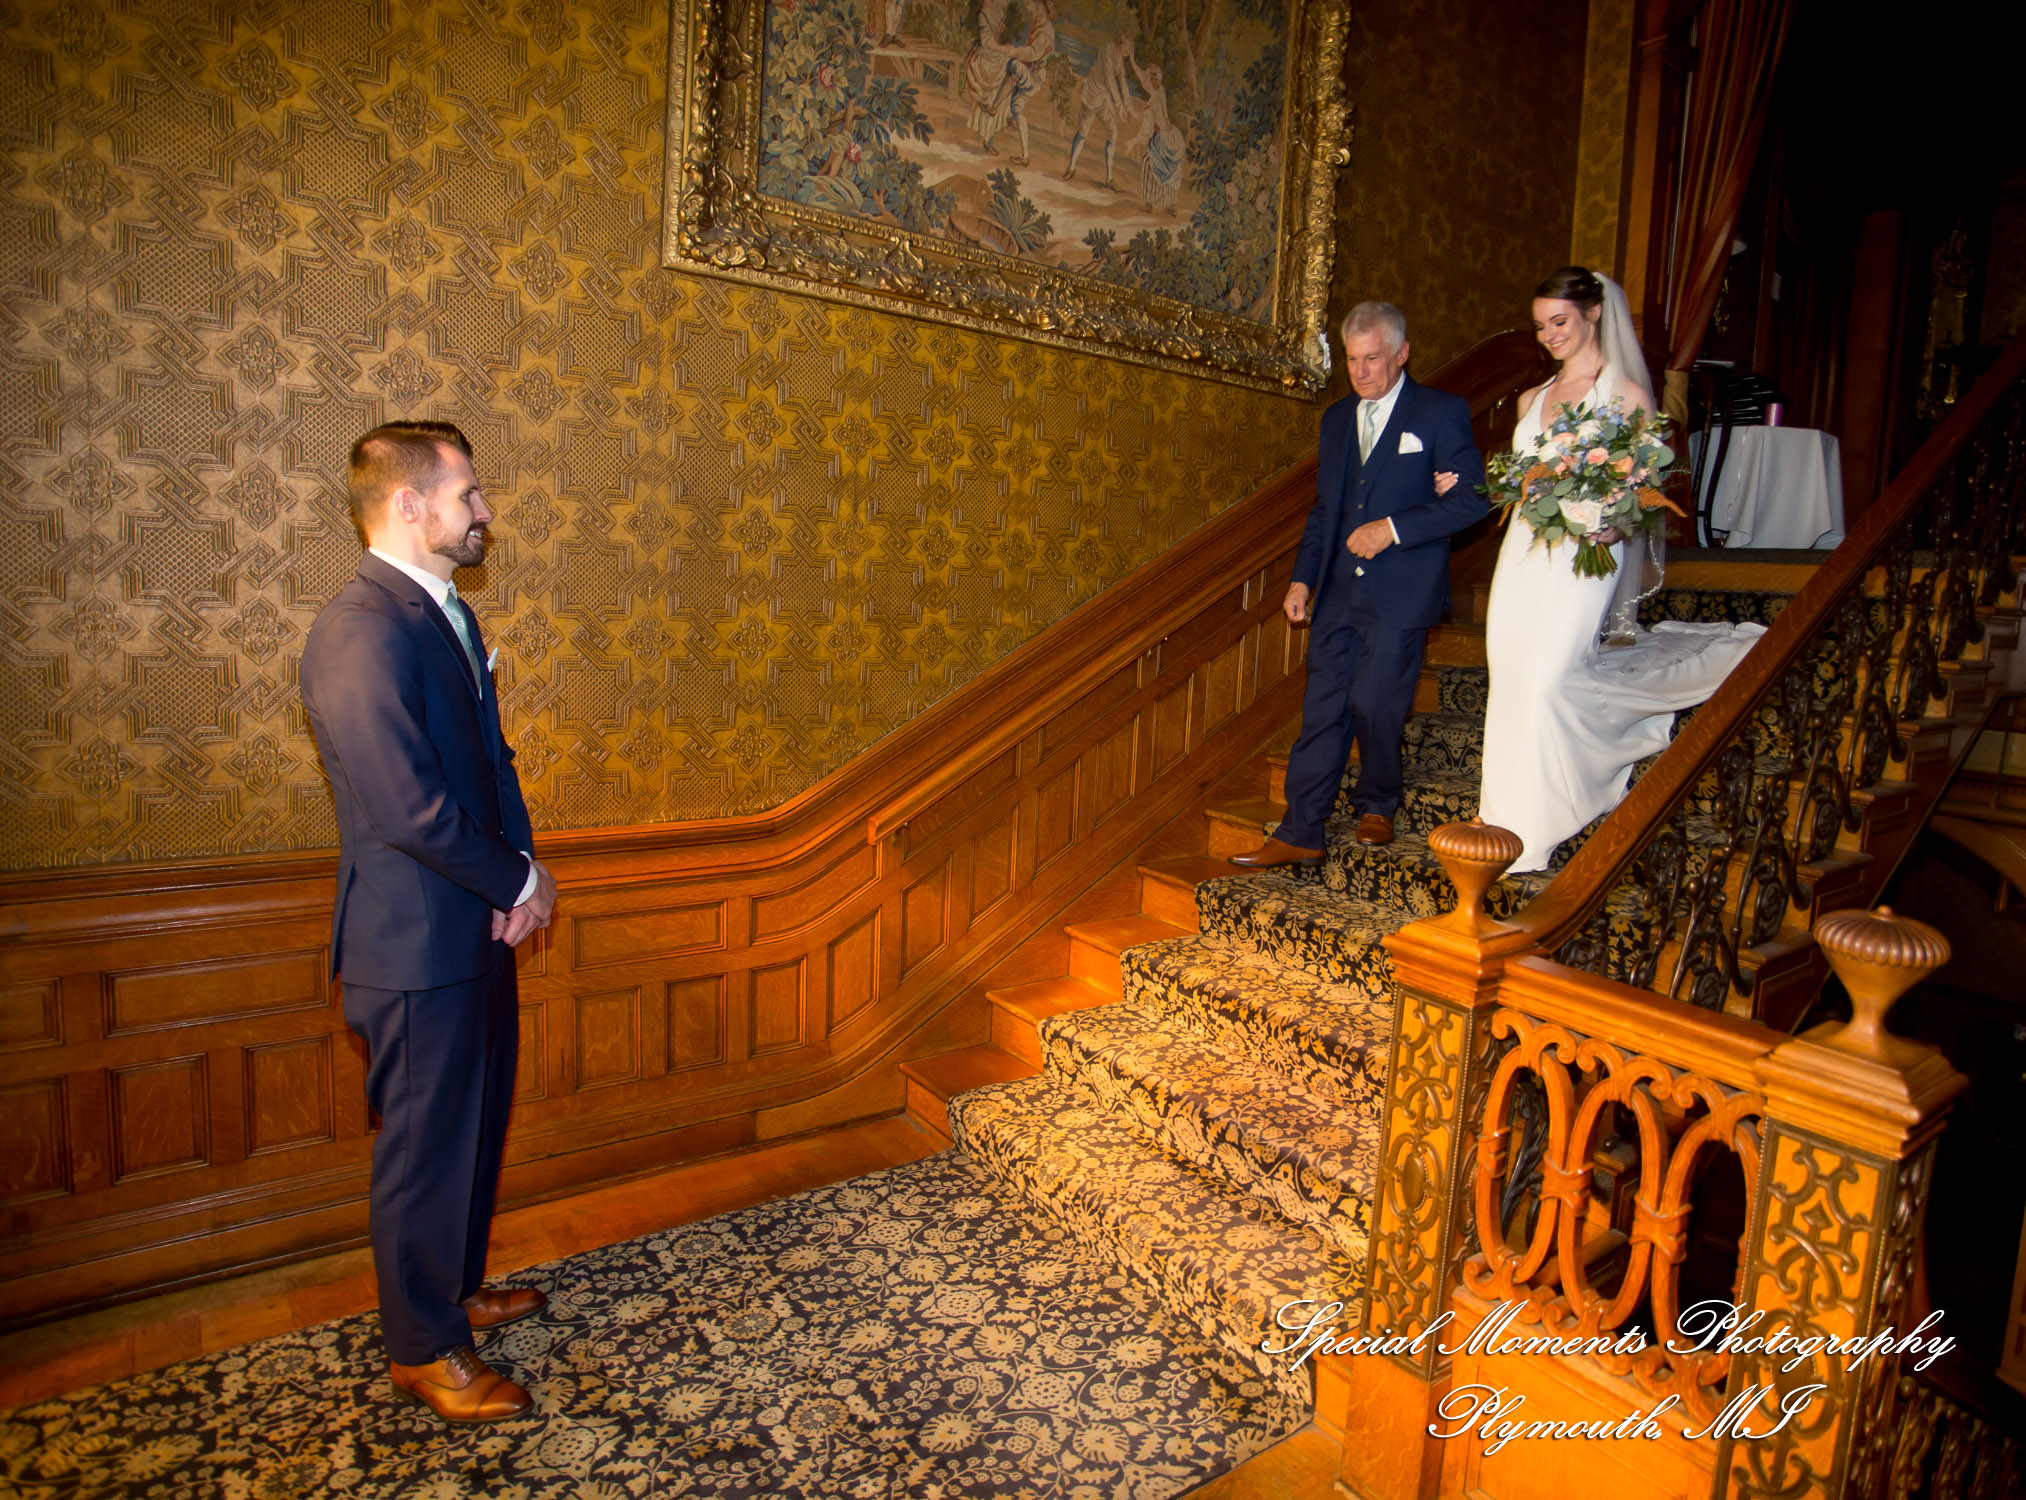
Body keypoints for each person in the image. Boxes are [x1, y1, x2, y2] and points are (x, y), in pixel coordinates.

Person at [299, 421, 559, 1423]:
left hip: (471, 933)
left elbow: (490, 770)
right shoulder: (361, 630)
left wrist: (522, 877)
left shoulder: (437, 614)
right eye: (467, 495)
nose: (484, 513)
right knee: (423, 1149)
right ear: (409, 505)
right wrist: (512, 884)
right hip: (412, 948)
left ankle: (450, 1290)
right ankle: (421, 1348)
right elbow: (408, 806)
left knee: (472, 1129)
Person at [1465, 267, 1765, 872]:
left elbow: (1642, 485)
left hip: (1585, 556)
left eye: (1560, 321)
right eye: (1540, 325)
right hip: (1523, 552)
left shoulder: (1624, 393)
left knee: (1551, 675)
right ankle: (1502, 815)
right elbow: (1522, 483)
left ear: (1593, 314)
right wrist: (1481, 486)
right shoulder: (1530, 399)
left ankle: (1546, 813)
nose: (1549, 334)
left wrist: (1611, 521)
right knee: (1513, 672)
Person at [1230, 302, 1488, 869]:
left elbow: (1473, 500)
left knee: (1375, 703)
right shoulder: (1337, 419)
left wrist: (1393, 529)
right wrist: (1302, 579)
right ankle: (1301, 830)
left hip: (1402, 590)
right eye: (1352, 360)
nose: (1362, 371)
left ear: (1401, 353)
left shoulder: (1441, 413)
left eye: (1373, 359)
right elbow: (1326, 510)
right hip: (1339, 590)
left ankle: (1378, 800)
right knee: (1321, 707)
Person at [1061, 29, 1136, 190]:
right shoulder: (1106, 48)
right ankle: (1071, 168)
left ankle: (1109, 178)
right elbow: (1109, 78)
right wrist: (1119, 104)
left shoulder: (1120, 60)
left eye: (1130, 50)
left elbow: (1122, 83)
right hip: (1091, 95)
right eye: (1127, 48)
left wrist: (1128, 108)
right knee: (1082, 133)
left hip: (1104, 99)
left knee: (1113, 134)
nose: (1128, 52)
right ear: (1120, 41)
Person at [1121, 57, 1183, 214]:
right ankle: (1173, 205)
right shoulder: (1160, 91)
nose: (1143, 79)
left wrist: (1132, 142)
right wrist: (1133, 59)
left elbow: (1146, 134)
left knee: (1148, 162)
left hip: (1162, 140)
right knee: (1172, 169)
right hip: (1173, 137)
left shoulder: (1149, 107)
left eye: (1146, 77)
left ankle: (1149, 204)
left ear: (1149, 80)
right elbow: (1143, 77)